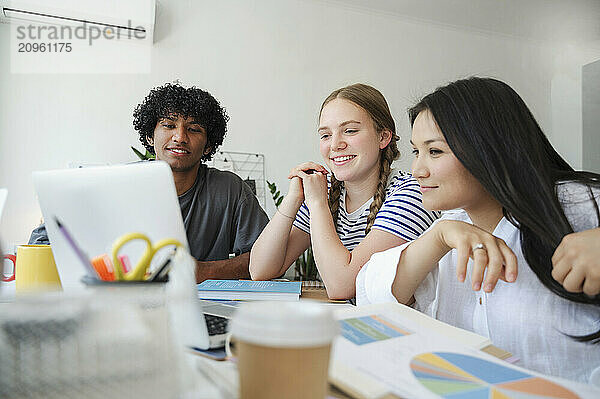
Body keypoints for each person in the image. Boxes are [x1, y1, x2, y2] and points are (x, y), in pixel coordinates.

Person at [356, 77, 600, 383]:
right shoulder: (451, 227)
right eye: (416, 152)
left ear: (487, 147)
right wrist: (439, 236)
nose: (418, 170)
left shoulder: (578, 202)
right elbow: (370, 298)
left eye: (435, 151)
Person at [30, 82, 269, 282]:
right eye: (168, 125)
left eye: (194, 129)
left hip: (204, 309)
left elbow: (268, 255)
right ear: (149, 135)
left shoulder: (230, 190)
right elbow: (39, 244)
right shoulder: (112, 184)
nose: (180, 137)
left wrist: (204, 271)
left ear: (208, 145)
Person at [250, 83, 438, 299]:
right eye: (325, 135)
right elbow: (260, 270)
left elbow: (343, 286)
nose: (335, 144)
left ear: (383, 137)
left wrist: (318, 205)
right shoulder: (323, 191)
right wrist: (293, 199)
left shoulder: (412, 193)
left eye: (350, 131)